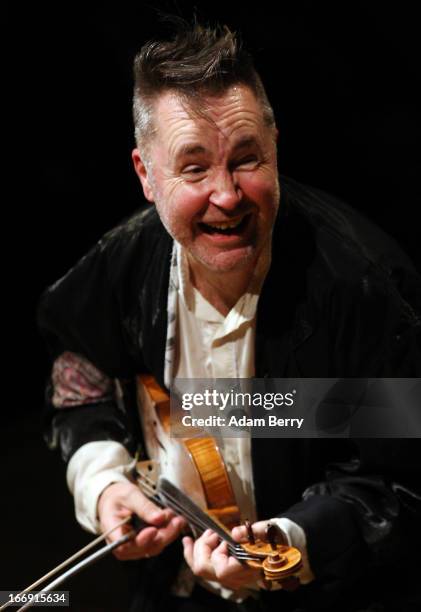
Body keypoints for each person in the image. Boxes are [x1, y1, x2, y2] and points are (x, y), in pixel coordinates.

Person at [38, 22, 421, 612]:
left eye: (246, 160)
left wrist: (288, 548)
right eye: (194, 168)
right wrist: (103, 480)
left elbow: (395, 480)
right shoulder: (121, 264)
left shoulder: (365, 290)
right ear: (146, 174)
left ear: (275, 148)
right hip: (175, 590)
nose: (227, 195)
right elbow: (80, 380)